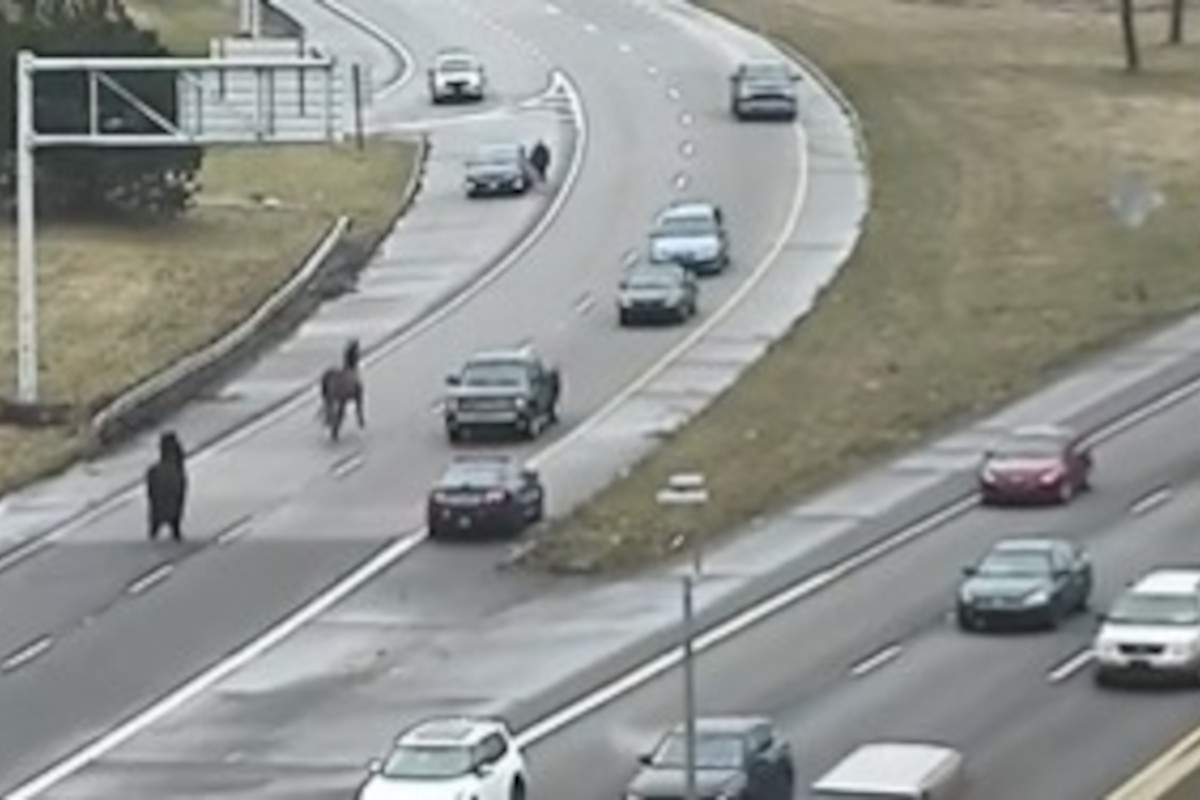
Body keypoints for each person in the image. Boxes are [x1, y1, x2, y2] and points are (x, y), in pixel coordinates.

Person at [145, 430, 188, 542]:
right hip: (173, 475)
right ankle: (174, 524)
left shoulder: (154, 471)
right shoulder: (177, 465)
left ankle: (158, 523)